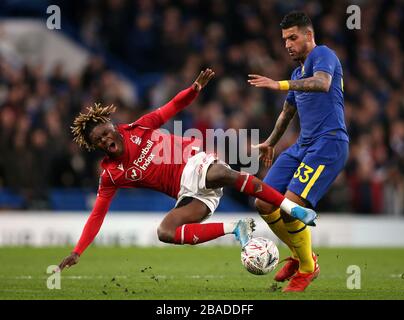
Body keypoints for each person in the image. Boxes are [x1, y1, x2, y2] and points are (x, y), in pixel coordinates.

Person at [57, 68, 317, 271]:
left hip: (195, 161)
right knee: (165, 232)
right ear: (94, 147)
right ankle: (236, 228)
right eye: (98, 141)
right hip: (188, 193)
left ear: (112, 126)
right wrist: (78, 251)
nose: (104, 141)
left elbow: (172, 107)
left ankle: (292, 208)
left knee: (223, 174)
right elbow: (97, 215)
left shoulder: (139, 128)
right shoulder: (111, 175)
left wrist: (194, 90)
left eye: (104, 133)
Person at [248, 11, 349, 292]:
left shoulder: (323, 55)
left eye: (293, 37)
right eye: (284, 40)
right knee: (264, 202)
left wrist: (277, 84)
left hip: (328, 143)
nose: (288, 45)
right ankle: (299, 254)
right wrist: (270, 142)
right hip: (302, 145)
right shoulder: (295, 73)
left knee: (291, 209)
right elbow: (287, 113)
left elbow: (322, 83)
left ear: (308, 35)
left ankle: (307, 267)